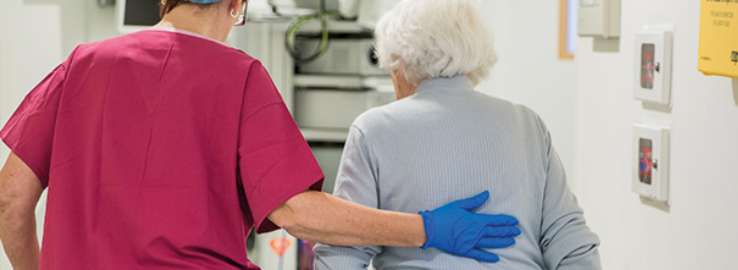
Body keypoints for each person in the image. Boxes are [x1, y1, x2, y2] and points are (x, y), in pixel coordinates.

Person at [0, 0, 523, 269]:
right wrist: (426, 227)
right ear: (236, 4)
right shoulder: (238, 75)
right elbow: (297, 214)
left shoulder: (82, 64)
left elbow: (10, 198)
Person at [313, 0, 602, 269]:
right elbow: (571, 243)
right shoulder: (526, 124)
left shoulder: (372, 130)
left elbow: (341, 255)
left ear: (399, 63)